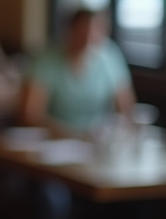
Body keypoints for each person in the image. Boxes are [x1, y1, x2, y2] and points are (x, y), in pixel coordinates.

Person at [20, 8, 135, 137]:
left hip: (99, 139)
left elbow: (126, 109)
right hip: (55, 139)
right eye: (82, 31)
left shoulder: (110, 56)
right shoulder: (46, 60)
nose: (87, 39)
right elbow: (30, 115)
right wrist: (73, 135)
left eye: (94, 32)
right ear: (69, 31)